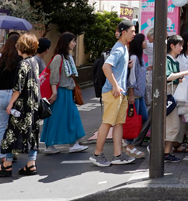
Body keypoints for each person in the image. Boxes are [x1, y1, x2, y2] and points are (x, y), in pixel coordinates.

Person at [0, 34, 43, 177]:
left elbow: (18, 88)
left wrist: (11, 104)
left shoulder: (23, 64)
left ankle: (6, 165)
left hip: (21, 106)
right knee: (32, 133)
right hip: (32, 104)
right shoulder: (35, 62)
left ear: (22, 47)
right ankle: (31, 164)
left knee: (10, 133)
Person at [89, 20, 138, 167]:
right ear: (124, 32)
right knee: (108, 123)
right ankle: (97, 154)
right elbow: (106, 66)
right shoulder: (119, 49)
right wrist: (116, 86)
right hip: (113, 92)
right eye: (132, 31)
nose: (134, 34)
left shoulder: (123, 48)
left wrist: (126, 66)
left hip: (118, 92)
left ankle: (117, 155)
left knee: (118, 124)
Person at [41, 32, 87, 155]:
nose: (75, 44)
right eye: (73, 41)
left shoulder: (67, 57)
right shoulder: (59, 58)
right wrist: (54, 92)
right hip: (60, 92)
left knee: (63, 117)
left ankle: (56, 144)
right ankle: (69, 144)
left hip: (65, 92)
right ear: (67, 43)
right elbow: (54, 77)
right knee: (62, 118)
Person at [164, 35, 188, 162]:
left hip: (172, 96)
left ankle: (164, 151)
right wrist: (185, 73)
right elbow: (168, 76)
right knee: (174, 126)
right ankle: (165, 152)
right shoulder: (168, 60)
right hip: (169, 96)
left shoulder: (172, 60)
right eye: (180, 45)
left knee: (172, 125)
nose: (182, 48)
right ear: (172, 46)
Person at [0, 34, 20, 163]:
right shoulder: (21, 61)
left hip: (1, 95)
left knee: (2, 127)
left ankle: (3, 156)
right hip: (15, 96)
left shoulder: (0, 60)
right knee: (15, 128)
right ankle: (12, 153)